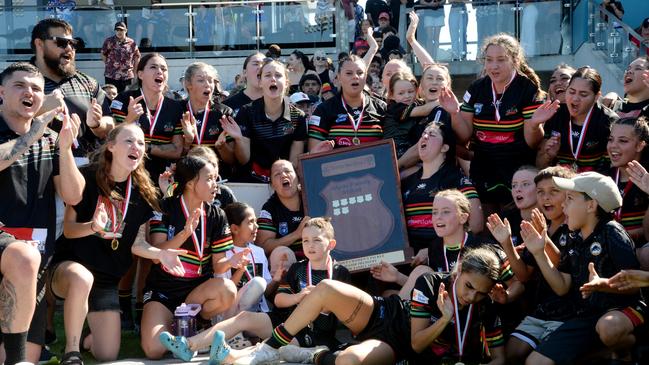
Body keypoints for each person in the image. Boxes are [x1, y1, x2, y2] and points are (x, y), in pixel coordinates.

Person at [224, 247, 505, 365]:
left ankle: (314, 356)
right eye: (468, 286)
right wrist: (444, 318)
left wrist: (445, 320)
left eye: (481, 293)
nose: (472, 296)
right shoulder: (432, 283)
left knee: (347, 361)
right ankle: (269, 349)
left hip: (397, 344)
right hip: (387, 314)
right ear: (459, 272)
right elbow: (419, 335)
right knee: (325, 288)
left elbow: (416, 346)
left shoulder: (485, 306)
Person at [48, 124, 186, 363]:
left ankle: (84, 336)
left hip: (106, 281)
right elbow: (69, 231)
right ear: (111, 146)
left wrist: (159, 254)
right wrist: (93, 227)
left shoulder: (143, 191)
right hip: (70, 268)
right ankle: (72, 352)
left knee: (107, 354)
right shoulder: (88, 177)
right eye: (129, 141)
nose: (137, 147)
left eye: (141, 143)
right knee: (82, 278)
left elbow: (137, 243)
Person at [158, 217, 350, 364]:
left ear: (331, 244)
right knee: (244, 318)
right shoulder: (298, 268)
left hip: (315, 334)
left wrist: (322, 302)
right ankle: (188, 345)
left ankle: (229, 356)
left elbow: (345, 312)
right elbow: (279, 300)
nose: (310, 245)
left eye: (316, 240)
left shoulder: (340, 272)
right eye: (306, 240)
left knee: (275, 345)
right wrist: (299, 297)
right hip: (285, 321)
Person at [0, 62, 84, 364]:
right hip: (7, 246)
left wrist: (64, 149)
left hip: (34, 259)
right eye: (20, 85)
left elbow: (74, 194)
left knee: (30, 354)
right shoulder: (35, 133)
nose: (30, 93)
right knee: (23, 256)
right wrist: (32, 134)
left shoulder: (48, 138)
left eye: (36, 88)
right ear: (1, 92)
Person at [523, 172, 643, 365]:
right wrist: (539, 252)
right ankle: (603, 353)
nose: (563, 205)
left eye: (569, 198)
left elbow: (636, 286)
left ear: (591, 205)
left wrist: (605, 285)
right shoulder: (574, 238)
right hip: (587, 315)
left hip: (622, 310)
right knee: (535, 362)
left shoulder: (612, 232)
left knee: (608, 329)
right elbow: (562, 286)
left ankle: (630, 347)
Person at [140, 155, 238, 359]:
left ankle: (195, 325)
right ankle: (187, 334)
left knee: (227, 289)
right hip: (164, 289)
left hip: (196, 293)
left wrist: (231, 262)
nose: (215, 184)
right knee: (153, 350)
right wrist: (184, 233)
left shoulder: (217, 215)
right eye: (209, 178)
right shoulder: (164, 206)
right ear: (192, 183)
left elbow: (218, 267)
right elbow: (157, 255)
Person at [486, 167, 576, 364]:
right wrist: (506, 242)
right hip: (542, 311)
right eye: (541, 192)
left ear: (569, 196)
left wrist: (543, 241)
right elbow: (525, 275)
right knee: (509, 356)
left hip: (570, 313)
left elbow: (562, 267)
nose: (545, 198)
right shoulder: (540, 224)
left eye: (553, 192)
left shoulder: (574, 227)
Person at [455, 33, 550, 216]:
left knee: (517, 226)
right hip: (483, 168)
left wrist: (534, 124)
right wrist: (453, 113)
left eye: (501, 60)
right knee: (490, 228)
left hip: (517, 171)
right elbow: (465, 135)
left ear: (515, 60)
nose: (494, 66)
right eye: (489, 60)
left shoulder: (527, 88)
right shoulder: (477, 88)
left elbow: (532, 142)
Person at [31, 18, 114, 159]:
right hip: (38, 172)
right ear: (39, 44)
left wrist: (97, 124)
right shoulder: (16, 81)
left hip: (83, 170)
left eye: (73, 43)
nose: (69, 49)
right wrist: (38, 109)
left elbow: (110, 123)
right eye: (61, 42)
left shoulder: (88, 83)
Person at [399, 122, 482, 254]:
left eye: (431, 134)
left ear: (444, 147)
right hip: (408, 256)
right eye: (423, 134)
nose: (424, 137)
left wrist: (433, 251)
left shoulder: (456, 179)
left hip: (442, 256)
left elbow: (476, 225)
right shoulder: (406, 182)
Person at [110, 53, 185, 180]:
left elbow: (177, 150)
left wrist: (146, 147)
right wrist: (129, 120)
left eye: (164, 69)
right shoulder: (124, 99)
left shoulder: (175, 107)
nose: (159, 72)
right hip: (127, 174)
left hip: (162, 177)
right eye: (153, 67)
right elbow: (111, 141)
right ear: (140, 74)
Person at [234, 59, 307, 182]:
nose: (273, 79)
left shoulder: (298, 116)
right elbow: (243, 160)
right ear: (260, 82)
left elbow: (294, 164)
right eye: (267, 75)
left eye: (278, 75)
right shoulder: (246, 112)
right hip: (253, 181)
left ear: (287, 82)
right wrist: (239, 139)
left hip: (285, 180)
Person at [537, 66, 619, 173]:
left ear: (596, 97)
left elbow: (615, 168)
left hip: (594, 185)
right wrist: (548, 156)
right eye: (571, 92)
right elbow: (539, 166)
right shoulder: (555, 115)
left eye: (583, 94)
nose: (575, 98)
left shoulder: (608, 121)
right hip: (561, 183)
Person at [308, 55, 387, 150]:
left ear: (365, 77)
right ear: (338, 77)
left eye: (360, 73)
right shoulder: (323, 110)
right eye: (349, 73)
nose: (355, 77)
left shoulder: (382, 108)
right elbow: (314, 153)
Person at [179, 62, 240, 174]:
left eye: (211, 80)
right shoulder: (178, 110)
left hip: (216, 178)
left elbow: (232, 160)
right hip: (187, 177)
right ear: (188, 84)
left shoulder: (224, 112)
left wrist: (221, 146)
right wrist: (187, 143)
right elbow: (175, 157)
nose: (208, 85)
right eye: (201, 80)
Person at [607, 117, 649, 248]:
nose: (613, 145)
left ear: (640, 146)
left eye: (623, 141)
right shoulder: (603, 176)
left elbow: (648, 235)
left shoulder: (647, 178)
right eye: (611, 139)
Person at [257, 160, 304, 265]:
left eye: (287, 171)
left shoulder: (311, 197)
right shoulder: (269, 209)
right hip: (288, 264)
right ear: (272, 185)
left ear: (298, 178)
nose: (283, 175)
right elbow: (262, 246)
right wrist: (296, 235)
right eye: (277, 174)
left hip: (316, 257)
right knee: (282, 253)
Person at [101, 21, 140, 93]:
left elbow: (137, 57)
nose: (119, 32)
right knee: (111, 97)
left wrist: (135, 72)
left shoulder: (132, 43)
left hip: (127, 76)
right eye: (117, 30)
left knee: (127, 97)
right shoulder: (109, 41)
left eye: (121, 30)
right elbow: (103, 54)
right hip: (111, 75)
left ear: (126, 31)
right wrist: (109, 64)